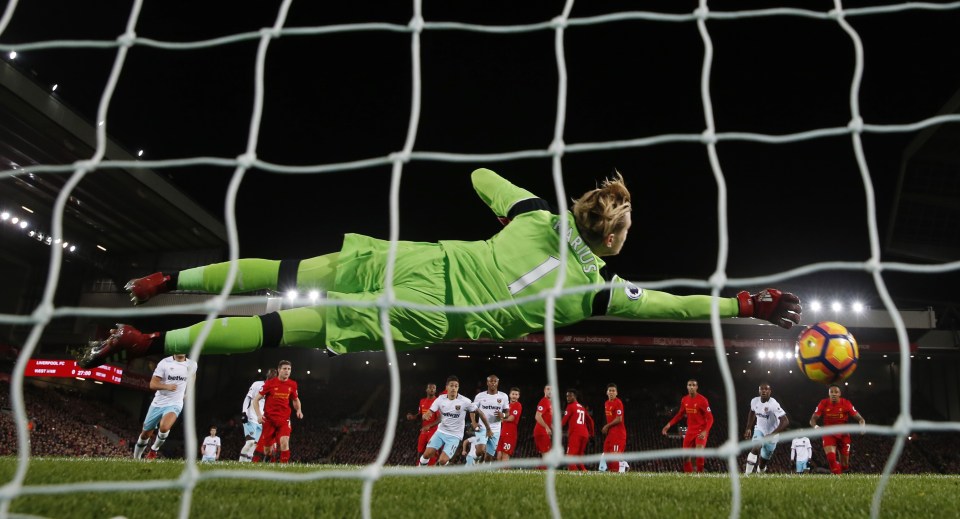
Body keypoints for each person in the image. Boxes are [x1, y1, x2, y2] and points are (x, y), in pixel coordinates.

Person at [77, 168, 802, 369]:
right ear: (611, 240)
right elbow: (678, 307)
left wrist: (516, 208)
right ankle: (153, 346)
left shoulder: (533, 217)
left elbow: (481, 174)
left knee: (292, 265)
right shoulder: (597, 293)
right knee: (287, 328)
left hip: (422, 260)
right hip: (432, 313)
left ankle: (173, 283)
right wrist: (747, 305)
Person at [133, 353, 197, 460]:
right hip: (158, 403)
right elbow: (152, 384)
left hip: (175, 403)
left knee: (164, 427)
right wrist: (167, 386)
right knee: (145, 435)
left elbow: (193, 375)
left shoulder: (192, 364)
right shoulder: (165, 363)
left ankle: (154, 450)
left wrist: (189, 391)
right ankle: (136, 458)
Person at [419, 376, 492, 467]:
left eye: (456, 386)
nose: (453, 388)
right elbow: (430, 411)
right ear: (447, 387)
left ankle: (444, 469)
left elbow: (478, 412)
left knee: (442, 460)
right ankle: (420, 471)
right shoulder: (440, 399)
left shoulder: (464, 401)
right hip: (441, 432)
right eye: (451, 385)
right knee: (426, 454)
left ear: (458, 388)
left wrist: (486, 427)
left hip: (455, 435)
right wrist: (426, 415)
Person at [251, 360, 303, 464]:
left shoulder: (292, 384)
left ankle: (284, 468)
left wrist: (299, 410)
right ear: (279, 370)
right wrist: (259, 415)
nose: (287, 371)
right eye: (284, 369)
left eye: (289, 369)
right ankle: (269, 460)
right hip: (269, 420)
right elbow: (255, 400)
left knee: (284, 442)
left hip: (284, 419)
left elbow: (295, 399)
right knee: (267, 450)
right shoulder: (270, 384)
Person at [809, 384, 866, 475]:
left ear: (840, 394)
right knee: (831, 459)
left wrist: (862, 427)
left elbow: (861, 419)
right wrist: (816, 427)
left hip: (843, 435)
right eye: (831, 392)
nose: (833, 394)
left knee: (844, 465)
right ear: (828, 394)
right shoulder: (823, 403)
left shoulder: (846, 403)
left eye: (836, 392)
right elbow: (812, 420)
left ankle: (838, 472)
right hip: (828, 434)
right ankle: (837, 477)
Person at [661, 379, 713, 473]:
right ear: (687, 387)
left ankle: (700, 475)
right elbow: (680, 414)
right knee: (685, 457)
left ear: (697, 387)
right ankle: (688, 477)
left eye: (693, 385)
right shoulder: (684, 399)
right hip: (690, 431)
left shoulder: (703, 400)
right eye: (689, 385)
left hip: (701, 430)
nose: (691, 387)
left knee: (699, 452)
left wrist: (705, 431)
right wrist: (669, 424)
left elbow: (710, 418)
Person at [743, 382, 790, 474]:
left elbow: (785, 421)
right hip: (759, 430)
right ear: (759, 391)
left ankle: (760, 472)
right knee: (756, 447)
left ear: (770, 391)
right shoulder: (754, 401)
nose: (763, 391)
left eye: (766, 389)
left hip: (772, 434)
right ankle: (746, 475)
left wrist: (772, 435)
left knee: (763, 462)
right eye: (761, 389)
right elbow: (752, 412)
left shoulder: (773, 404)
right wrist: (748, 427)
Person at [469, 374, 510, 463]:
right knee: (480, 451)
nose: (493, 383)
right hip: (482, 427)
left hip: (496, 429)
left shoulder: (504, 396)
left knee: (488, 457)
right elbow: (472, 409)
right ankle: (474, 459)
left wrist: (502, 415)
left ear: (497, 383)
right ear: (487, 383)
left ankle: (481, 472)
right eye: (491, 381)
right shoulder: (480, 396)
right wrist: (473, 422)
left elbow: (507, 413)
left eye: (495, 381)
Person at [239, 368, 277, 462]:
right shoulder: (257, 384)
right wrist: (244, 412)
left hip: (261, 420)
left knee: (254, 445)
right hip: (251, 416)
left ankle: (247, 464)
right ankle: (240, 463)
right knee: (250, 442)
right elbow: (248, 398)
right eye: (271, 375)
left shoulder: (273, 390)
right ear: (267, 375)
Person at [405, 382, 439, 466]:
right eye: (430, 388)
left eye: (433, 388)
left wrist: (429, 426)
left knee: (432, 451)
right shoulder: (422, 401)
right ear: (426, 390)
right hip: (424, 430)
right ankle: (418, 467)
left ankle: (431, 468)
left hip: (434, 431)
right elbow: (420, 414)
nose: (431, 389)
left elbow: (440, 419)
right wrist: (413, 417)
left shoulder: (438, 401)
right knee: (420, 450)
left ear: (435, 390)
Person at [561, 388, 594, 472]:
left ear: (575, 396)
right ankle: (584, 471)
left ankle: (575, 474)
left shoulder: (570, 406)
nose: (568, 398)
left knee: (569, 457)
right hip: (585, 434)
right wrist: (592, 434)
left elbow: (563, 421)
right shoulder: (582, 407)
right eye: (567, 396)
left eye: (570, 396)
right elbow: (590, 421)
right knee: (579, 456)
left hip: (576, 434)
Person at [601, 383, 627, 473]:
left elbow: (619, 419)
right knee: (606, 453)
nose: (611, 392)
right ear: (606, 392)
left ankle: (616, 472)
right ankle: (612, 471)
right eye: (610, 390)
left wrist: (607, 426)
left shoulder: (618, 402)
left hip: (618, 433)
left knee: (615, 455)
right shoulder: (606, 403)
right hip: (611, 433)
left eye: (613, 391)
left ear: (617, 393)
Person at [496, 386, 522, 462]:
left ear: (518, 396)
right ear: (509, 395)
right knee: (499, 455)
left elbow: (512, 418)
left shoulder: (518, 405)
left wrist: (502, 418)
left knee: (505, 454)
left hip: (510, 433)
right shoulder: (506, 406)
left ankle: (505, 473)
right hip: (502, 432)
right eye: (513, 394)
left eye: (516, 394)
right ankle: (499, 473)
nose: (514, 396)